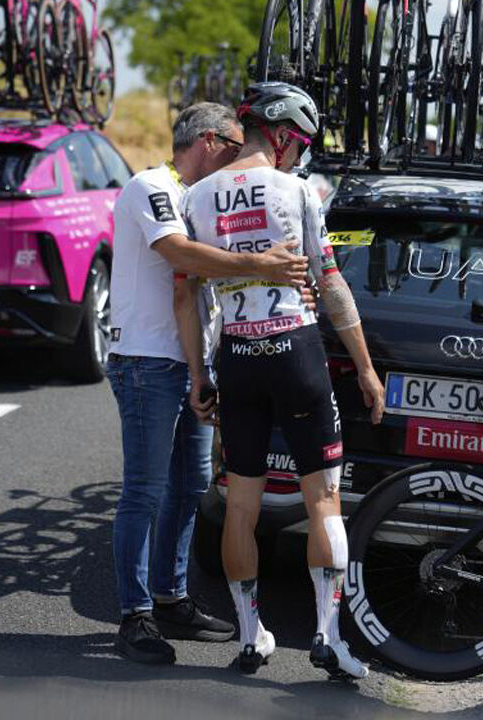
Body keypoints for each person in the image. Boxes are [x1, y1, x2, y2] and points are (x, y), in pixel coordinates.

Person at [174, 82, 385, 679]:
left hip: (237, 355)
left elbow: (185, 294)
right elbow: (333, 283)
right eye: (303, 142)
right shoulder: (299, 190)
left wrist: (198, 373)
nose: (303, 154)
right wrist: (364, 367)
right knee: (323, 500)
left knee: (240, 506)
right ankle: (327, 636)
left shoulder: (198, 196)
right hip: (295, 347)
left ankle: (249, 636)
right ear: (286, 134)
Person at [107, 102, 313, 665]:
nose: (241, 153)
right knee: (144, 492)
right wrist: (265, 267)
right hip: (147, 360)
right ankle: (134, 615)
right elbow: (176, 254)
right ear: (209, 140)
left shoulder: (199, 196)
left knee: (191, 486)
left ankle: (172, 597)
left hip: (190, 360)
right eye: (233, 143)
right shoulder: (152, 185)